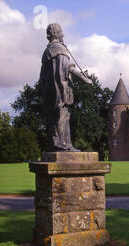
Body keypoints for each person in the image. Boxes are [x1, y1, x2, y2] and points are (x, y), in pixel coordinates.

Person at [39, 23, 92, 152]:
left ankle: (61, 143)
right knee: (62, 115)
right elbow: (68, 67)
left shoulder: (46, 53)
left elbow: (41, 78)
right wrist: (84, 79)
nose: (63, 34)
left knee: (55, 115)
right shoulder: (59, 49)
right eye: (61, 32)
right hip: (60, 90)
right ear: (56, 34)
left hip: (50, 91)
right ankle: (62, 144)